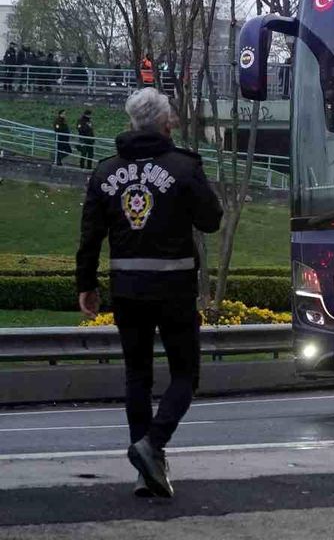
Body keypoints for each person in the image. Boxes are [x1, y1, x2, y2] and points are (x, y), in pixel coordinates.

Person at [75, 88, 223, 497]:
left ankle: (147, 473)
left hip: (127, 290)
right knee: (185, 375)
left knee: (137, 376)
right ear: (165, 123)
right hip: (174, 289)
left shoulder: (104, 173)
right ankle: (152, 445)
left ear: (130, 123)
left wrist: (86, 284)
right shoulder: (184, 167)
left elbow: (89, 237)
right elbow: (211, 220)